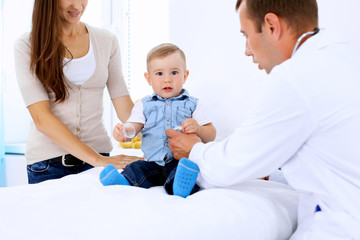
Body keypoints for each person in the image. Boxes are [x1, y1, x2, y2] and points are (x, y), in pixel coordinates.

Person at [166, 0, 360, 239]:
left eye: (246, 35)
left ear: (270, 25)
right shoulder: (342, 56)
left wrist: (193, 149)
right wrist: (269, 167)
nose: (247, 49)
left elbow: (227, 166)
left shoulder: (295, 78)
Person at [14, 0, 142, 184]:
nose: (78, 6)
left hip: (99, 161)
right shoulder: (27, 45)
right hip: (48, 166)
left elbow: (125, 109)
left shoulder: (107, 41)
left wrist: (162, 137)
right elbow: (41, 119)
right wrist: (98, 160)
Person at [100, 43, 216, 197]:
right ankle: (123, 182)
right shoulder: (143, 105)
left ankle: (180, 187)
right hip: (152, 163)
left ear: (185, 76)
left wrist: (199, 129)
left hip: (179, 162)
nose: (167, 79)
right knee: (135, 168)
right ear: (148, 78)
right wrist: (124, 132)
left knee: (189, 169)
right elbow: (134, 127)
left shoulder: (193, 104)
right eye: (159, 74)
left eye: (174, 72)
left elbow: (211, 135)